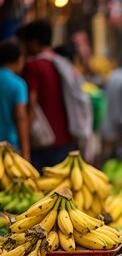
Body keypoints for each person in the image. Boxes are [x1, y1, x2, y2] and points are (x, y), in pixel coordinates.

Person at [17, 20, 76, 169]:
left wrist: (23, 142)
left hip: (42, 142)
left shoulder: (33, 67)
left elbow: (31, 105)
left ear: (33, 41)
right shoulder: (61, 63)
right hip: (65, 138)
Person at [0, 41, 30, 160]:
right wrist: (26, 152)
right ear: (18, 60)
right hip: (10, 145)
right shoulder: (18, 84)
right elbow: (20, 117)